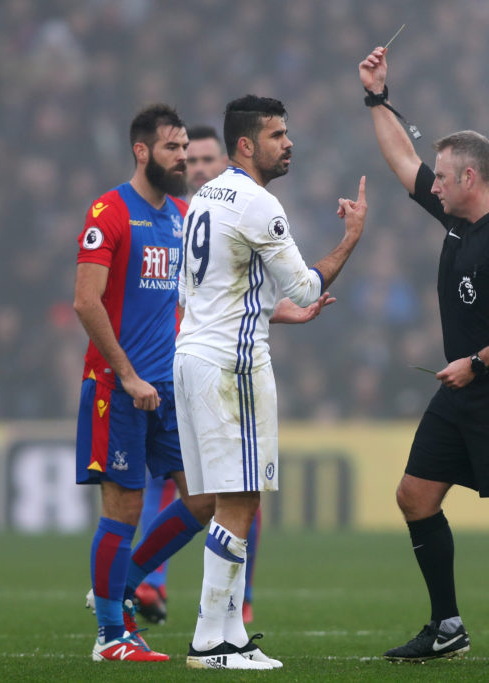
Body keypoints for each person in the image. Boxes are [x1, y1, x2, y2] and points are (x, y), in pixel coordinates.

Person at [359, 47, 489, 668]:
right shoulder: (457, 220)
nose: (434, 184)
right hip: (461, 390)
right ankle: (447, 625)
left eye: (444, 177)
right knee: (414, 496)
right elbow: (404, 162)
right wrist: (376, 95)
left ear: (470, 180)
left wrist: (477, 361)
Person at [176, 94, 367, 670]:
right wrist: (352, 237)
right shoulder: (259, 205)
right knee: (238, 500)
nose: (288, 143)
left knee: (236, 499)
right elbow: (306, 287)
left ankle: (230, 633)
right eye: (277, 134)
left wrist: (268, 310)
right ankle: (210, 641)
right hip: (231, 365)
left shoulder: (205, 196)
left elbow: (216, 289)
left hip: (192, 352)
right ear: (245, 145)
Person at [74, 104, 216, 662]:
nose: (184, 158)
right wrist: (128, 376)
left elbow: (203, 300)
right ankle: (111, 636)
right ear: (142, 151)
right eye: (173, 149)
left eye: (185, 148)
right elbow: (86, 302)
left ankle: (119, 583)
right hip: (118, 388)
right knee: (123, 509)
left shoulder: (181, 215)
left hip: (169, 388)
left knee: (203, 499)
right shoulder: (109, 212)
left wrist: (284, 312)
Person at [133, 124, 262, 627]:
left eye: (210, 160)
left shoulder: (228, 218)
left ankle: (238, 593)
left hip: (226, 369)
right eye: (193, 160)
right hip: (174, 368)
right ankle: (147, 583)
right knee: (170, 481)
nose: (200, 168)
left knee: (239, 485)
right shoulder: (173, 220)